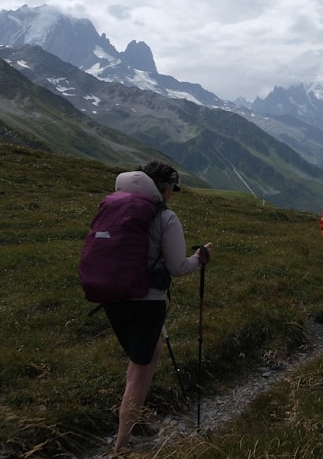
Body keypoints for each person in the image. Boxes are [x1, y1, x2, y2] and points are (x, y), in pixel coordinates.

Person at [101, 161, 212, 454]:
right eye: (171, 190)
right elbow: (176, 267)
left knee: (147, 355)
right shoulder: (166, 218)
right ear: (164, 189)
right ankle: (122, 445)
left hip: (111, 297)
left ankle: (135, 421)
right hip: (146, 302)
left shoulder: (112, 207)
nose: (172, 195)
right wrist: (200, 258)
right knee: (140, 371)